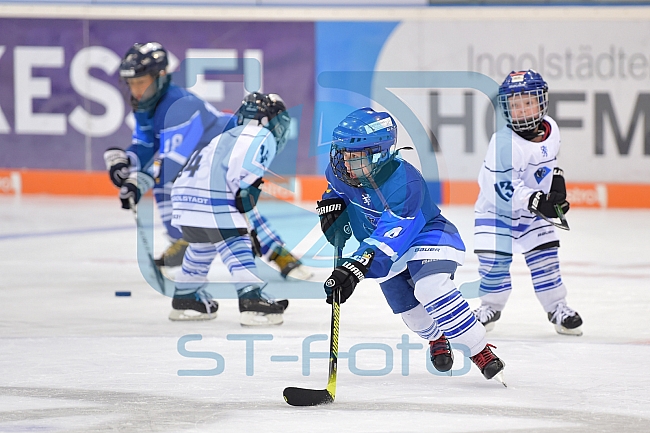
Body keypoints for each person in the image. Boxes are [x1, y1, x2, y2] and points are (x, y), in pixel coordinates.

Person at [317, 107, 505, 384]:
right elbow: (336, 192)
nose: (345, 163)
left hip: (425, 237)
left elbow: (389, 238)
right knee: (411, 313)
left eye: (354, 156)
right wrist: (331, 207)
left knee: (430, 287)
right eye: (343, 153)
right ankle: (436, 336)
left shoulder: (406, 182)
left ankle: (479, 350)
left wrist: (354, 268)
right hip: (378, 246)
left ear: (379, 153)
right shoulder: (340, 172)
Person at [103, 42, 309, 280]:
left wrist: (137, 181)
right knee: (170, 191)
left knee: (236, 201)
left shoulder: (181, 105)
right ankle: (184, 242)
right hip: (197, 164)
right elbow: (147, 145)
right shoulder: (143, 107)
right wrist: (125, 161)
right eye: (131, 83)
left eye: (141, 82)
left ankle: (279, 254)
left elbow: (171, 161)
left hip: (224, 156)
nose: (136, 90)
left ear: (160, 77)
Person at [472, 70, 583, 336]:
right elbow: (501, 187)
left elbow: (548, 162)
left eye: (528, 102)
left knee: (546, 258)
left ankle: (557, 308)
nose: (522, 110)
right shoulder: (503, 143)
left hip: (530, 213)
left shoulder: (552, 128)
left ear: (541, 102)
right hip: (496, 213)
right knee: (494, 262)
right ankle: (490, 307)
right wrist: (536, 200)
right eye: (515, 104)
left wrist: (556, 182)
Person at [168, 92, 292, 325]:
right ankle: (251, 299)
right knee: (237, 243)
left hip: (184, 200)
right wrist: (246, 229)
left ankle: (186, 296)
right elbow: (245, 193)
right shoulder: (262, 137)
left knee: (202, 246)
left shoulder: (224, 136)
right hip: (212, 199)